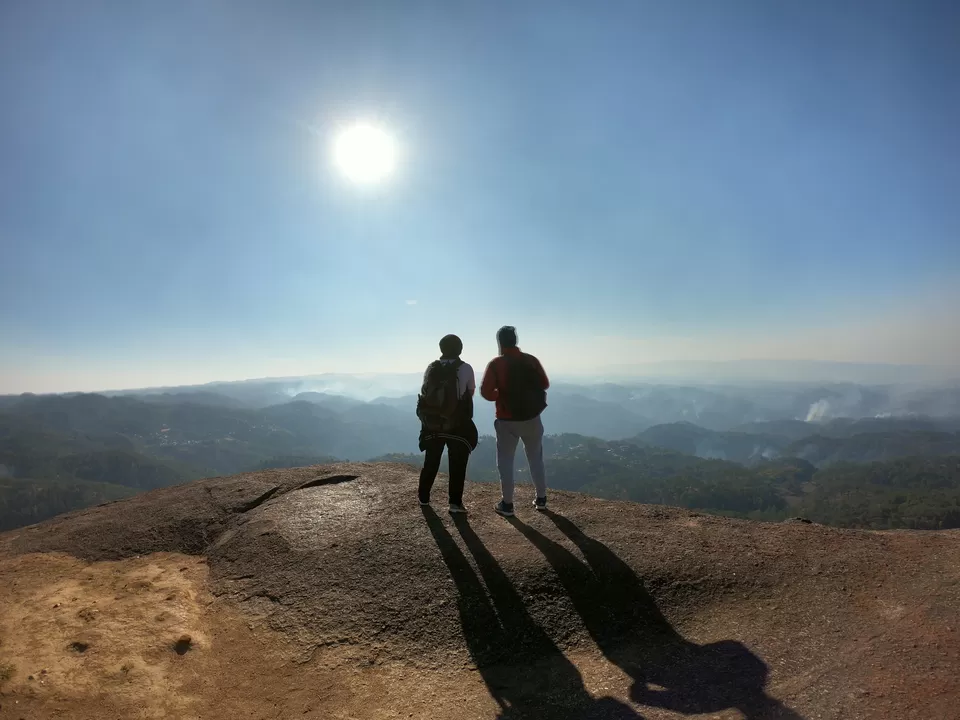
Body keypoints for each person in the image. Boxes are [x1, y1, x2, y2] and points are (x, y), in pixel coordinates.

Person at [480, 325, 550, 517]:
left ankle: (508, 504)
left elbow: (486, 392)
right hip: (532, 417)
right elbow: (545, 384)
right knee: (536, 457)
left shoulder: (496, 364)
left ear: (500, 343)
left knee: (505, 461)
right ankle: (541, 499)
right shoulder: (531, 360)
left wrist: (501, 395)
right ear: (515, 340)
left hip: (507, 420)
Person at [416, 334, 479, 514]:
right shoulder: (466, 368)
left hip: (433, 423)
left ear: (441, 349)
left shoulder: (431, 368)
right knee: (457, 461)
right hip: (457, 423)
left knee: (431, 459)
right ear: (460, 349)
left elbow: (425, 392)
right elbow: (470, 393)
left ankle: (424, 497)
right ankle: (454, 503)